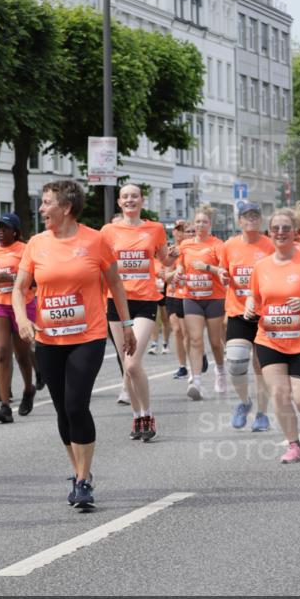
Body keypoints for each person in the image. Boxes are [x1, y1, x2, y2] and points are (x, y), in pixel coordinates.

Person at [13, 180, 136, 509]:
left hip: (88, 336)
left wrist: (126, 326)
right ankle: (79, 469)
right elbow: (19, 287)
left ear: (65, 208)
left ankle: (83, 481)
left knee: (76, 404)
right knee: (61, 409)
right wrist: (23, 320)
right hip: (49, 339)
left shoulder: (95, 241)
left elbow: (116, 285)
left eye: (47, 202)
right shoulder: (36, 244)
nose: (41, 209)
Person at [246, 208, 300, 464]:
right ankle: (294, 444)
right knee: (280, 394)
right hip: (270, 339)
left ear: (295, 232)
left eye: (286, 228)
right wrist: (251, 304)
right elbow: (255, 296)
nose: (280, 233)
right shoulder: (261, 266)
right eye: (276, 229)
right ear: (269, 233)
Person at [101, 184, 167, 440]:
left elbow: (163, 259)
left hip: (144, 301)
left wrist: (169, 260)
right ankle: (137, 417)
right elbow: (101, 264)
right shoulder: (108, 231)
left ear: (142, 201)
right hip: (116, 302)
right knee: (126, 367)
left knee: (132, 361)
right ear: (119, 202)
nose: (130, 200)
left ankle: (148, 414)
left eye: (134, 196)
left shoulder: (156, 229)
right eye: (125, 196)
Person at [221, 203, 274, 430]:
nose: (251, 219)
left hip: (265, 315)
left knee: (261, 368)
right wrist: (223, 275)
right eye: (246, 216)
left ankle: (262, 414)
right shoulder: (229, 245)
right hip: (238, 312)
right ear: (239, 221)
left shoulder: (270, 246)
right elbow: (223, 271)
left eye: (255, 215)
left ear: (260, 220)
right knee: (235, 363)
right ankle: (244, 402)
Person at [0, 213, 38, 423]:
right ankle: (5, 406)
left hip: (23, 305)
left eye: (4, 227)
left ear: (15, 231)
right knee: (0, 352)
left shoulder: (26, 250)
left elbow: (35, 279)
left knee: (23, 355)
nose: (0, 230)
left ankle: (28, 389)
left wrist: (15, 279)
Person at [175, 206, 227, 400]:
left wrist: (206, 267)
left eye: (204, 222)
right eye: (197, 222)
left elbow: (223, 270)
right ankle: (196, 380)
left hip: (214, 297)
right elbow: (180, 265)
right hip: (192, 297)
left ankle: (220, 371)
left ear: (210, 225)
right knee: (195, 339)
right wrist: (179, 271)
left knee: (215, 342)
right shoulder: (186, 245)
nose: (200, 225)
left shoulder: (217, 244)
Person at [164, 221, 192, 380]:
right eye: (178, 230)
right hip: (173, 294)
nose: (180, 233)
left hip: (188, 295)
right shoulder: (173, 251)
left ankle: (195, 357)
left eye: (184, 230)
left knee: (188, 333)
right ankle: (182, 366)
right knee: (177, 330)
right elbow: (166, 276)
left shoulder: (195, 250)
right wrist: (175, 274)